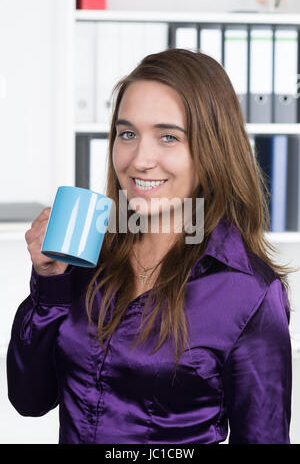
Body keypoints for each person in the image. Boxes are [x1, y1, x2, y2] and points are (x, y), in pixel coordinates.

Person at [7, 48, 294, 444]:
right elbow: (29, 398)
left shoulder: (248, 291)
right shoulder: (87, 253)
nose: (140, 159)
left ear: (211, 149)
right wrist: (48, 280)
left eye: (168, 137)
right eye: (127, 134)